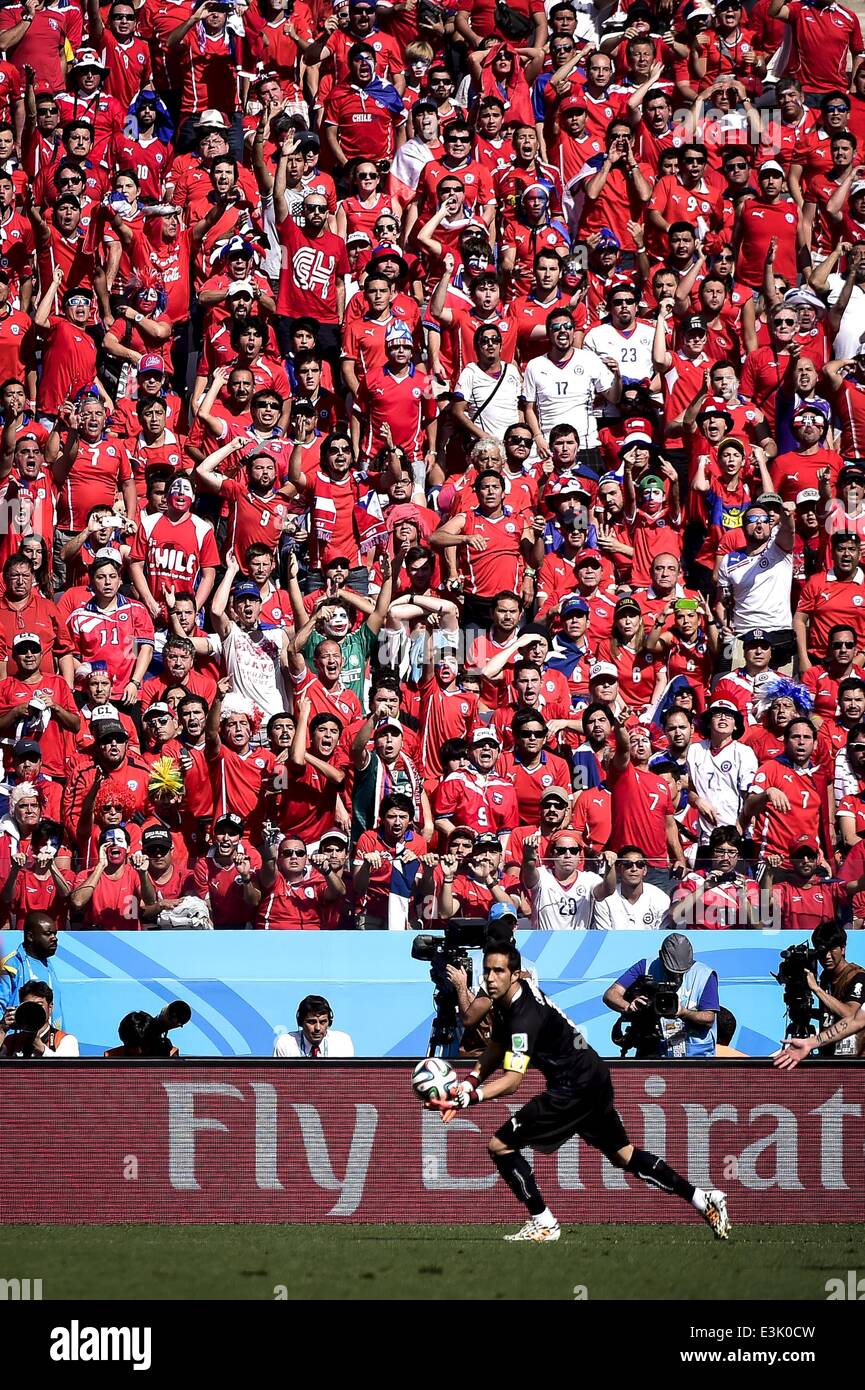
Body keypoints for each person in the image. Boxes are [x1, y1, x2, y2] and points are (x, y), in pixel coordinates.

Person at [426, 939, 730, 1242]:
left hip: (572, 1088)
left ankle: (544, 1223)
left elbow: (512, 1080)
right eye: (487, 971)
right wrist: (471, 1080)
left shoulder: (524, 1016)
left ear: (516, 974)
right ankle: (702, 1199)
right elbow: (496, 1046)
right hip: (593, 1076)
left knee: (500, 1146)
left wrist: (472, 1097)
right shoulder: (511, 998)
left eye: (499, 972)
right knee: (624, 1155)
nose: (490, 979)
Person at [603, 931, 719, 1058]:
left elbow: (709, 1018)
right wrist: (629, 1007)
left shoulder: (705, 975)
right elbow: (611, 994)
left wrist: (683, 1012)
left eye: (682, 972)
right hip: (653, 1050)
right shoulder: (645, 966)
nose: (676, 977)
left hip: (695, 1055)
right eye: (671, 970)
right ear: (660, 957)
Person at [593, 845, 672, 931]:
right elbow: (603, 936)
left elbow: (662, 937)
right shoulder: (605, 900)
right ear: (618, 869)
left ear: (645, 870)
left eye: (640, 864)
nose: (634, 869)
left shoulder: (660, 898)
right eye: (628, 864)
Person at [0, 979, 78, 1057]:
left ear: (50, 1008)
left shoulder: (65, 1040)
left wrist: (39, 1046)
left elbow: (65, 1068)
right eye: (29, 1006)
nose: (33, 1011)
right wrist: (2, 1030)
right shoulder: (10, 1041)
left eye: (39, 1006)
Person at [273, 994, 355, 1057]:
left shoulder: (342, 1042)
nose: (318, 1028)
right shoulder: (286, 1043)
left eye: (323, 1022)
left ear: (329, 1023)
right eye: (312, 1022)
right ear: (301, 1022)